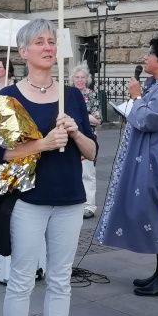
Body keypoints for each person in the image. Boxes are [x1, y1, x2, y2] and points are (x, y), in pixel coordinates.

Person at [0, 19, 97, 316]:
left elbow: (92, 152)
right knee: (21, 280)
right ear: (23, 52)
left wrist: (74, 132)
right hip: (29, 199)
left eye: (52, 41)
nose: (48, 47)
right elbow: (4, 155)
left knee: (60, 280)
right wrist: (44, 143)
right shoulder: (8, 96)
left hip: (69, 198)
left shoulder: (72, 95)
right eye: (40, 41)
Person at [95, 37, 158, 296]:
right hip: (147, 158)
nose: (145, 58)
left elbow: (148, 119)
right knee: (153, 215)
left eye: (150, 54)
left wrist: (135, 98)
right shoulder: (157, 83)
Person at [71, 65, 102, 218]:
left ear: (87, 79)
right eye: (77, 77)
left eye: (83, 77)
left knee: (88, 174)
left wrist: (81, 116)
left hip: (88, 140)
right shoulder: (68, 95)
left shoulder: (92, 95)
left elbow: (98, 120)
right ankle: (74, 203)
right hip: (70, 140)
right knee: (71, 172)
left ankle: (89, 205)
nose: (80, 80)